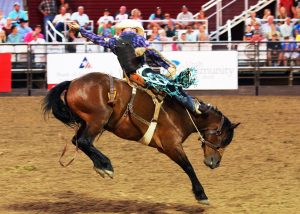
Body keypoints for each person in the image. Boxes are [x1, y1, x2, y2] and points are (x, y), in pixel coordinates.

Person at [68, 19, 202, 115]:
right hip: (142, 71)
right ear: (134, 29)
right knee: (169, 85)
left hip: (127, 75)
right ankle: (191, 105)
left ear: (121, 30)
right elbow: (151, 53)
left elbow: (96, 38)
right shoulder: (138, 38)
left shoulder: (114, 41)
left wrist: (80, 29)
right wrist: (167, 66)